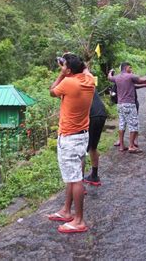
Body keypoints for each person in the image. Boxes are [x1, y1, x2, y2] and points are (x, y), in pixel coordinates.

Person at [47, 53, 95, 233]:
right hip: (82, 135)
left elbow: (52, 91)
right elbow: (85, 70)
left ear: (68, 70)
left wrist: (61, 73)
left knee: (75, 180)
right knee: (72, 176)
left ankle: (79, 220)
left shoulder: (67, 83)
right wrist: (70, 65)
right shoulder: (90, 81)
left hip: (68, 137)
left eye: (64, 65)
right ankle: (67, 211)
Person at [108, 62, 146, 153]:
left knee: (122, 124)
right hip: (129, 104)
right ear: (126, 67)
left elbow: (109, 77)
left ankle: (122, 146)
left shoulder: (117, 77)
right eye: (130, 67)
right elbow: (143, 80)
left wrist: (110, 72)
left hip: (120, 105)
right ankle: (131, 146)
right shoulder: (130, 76)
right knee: (133, 125)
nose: (131, 69)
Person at [83, 90, 107, 186]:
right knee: (93, 147)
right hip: (101, 113)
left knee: (83, 150)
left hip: (91, 115)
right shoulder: (87, 80)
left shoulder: (74, 82)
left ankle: (79, 184)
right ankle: (94, 176)